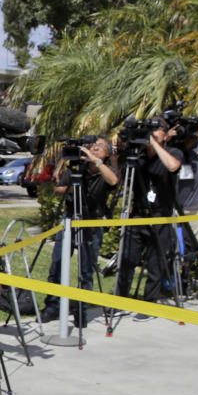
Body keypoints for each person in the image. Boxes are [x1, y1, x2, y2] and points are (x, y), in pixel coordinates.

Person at [41, 137, 119, 327]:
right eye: (92, 147)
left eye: (99, 148)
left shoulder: (106, 171)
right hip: (69, 221)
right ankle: (52, 306)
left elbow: (114, 181)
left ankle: (81, 309)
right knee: (57, 264)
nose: (94, 149)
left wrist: (96, 162)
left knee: (86, 270)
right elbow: (58, 190)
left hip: (92, 223)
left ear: (107, 154)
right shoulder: (76, 169)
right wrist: (71, 189)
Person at [114, 120, 182, 319]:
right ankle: (119, 302)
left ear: (165, 133)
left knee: (155, 262)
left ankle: (150, 304)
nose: (151, 133)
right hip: (138, 215)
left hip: (161, 215)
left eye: (156, 130)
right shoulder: (138, 157)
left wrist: (155, 145)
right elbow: (122, 181)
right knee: (127, 259)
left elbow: (173, 166)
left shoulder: (172, 152)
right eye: (148, 131)